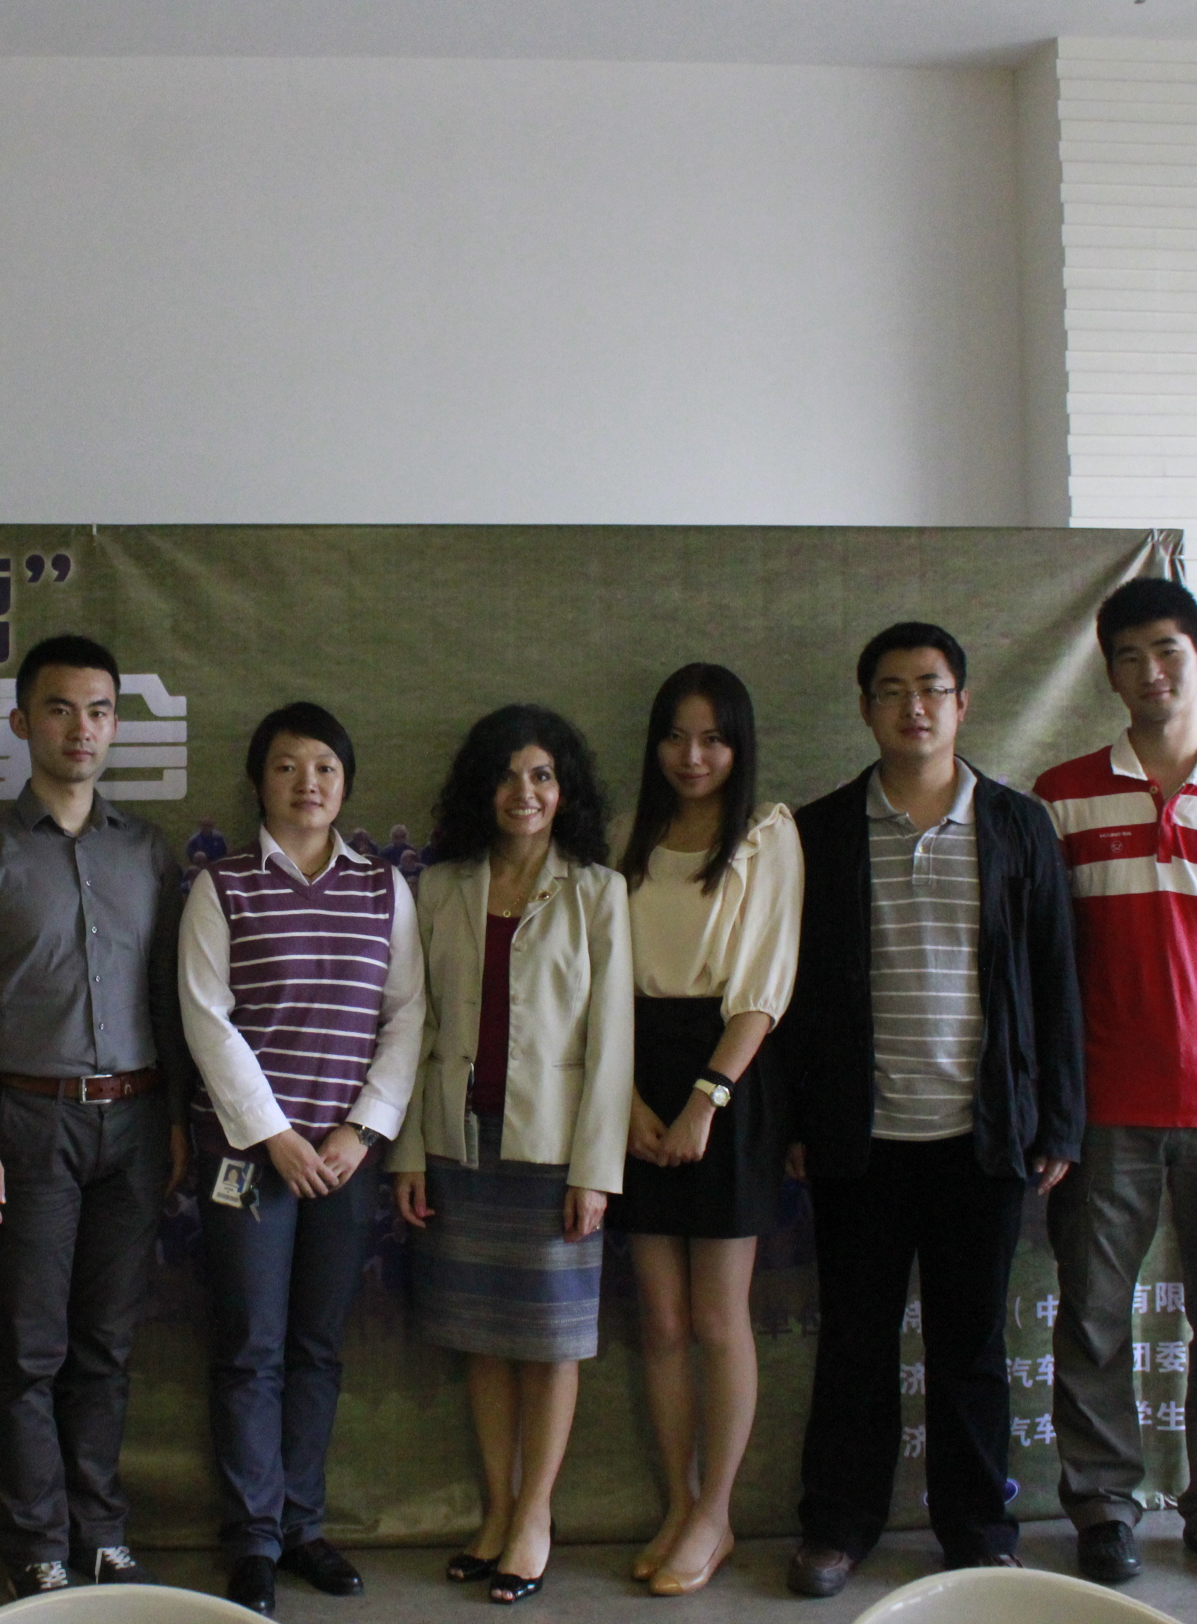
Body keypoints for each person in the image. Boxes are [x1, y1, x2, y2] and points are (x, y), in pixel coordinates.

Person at [780, 622, 1083, 1598]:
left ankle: (978, 1528)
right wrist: (797, 1119)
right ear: (865, 706)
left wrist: (1059, 1120)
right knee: (855, 1343)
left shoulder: (1018, 826)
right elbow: (791, 993)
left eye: (932, 687)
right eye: (892, 689)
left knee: (972, 1349)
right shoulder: (821, 831)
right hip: (859, 1137)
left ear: (963, 702)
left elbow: (1055, 979)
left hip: (981, 1137)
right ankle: (838, 1525)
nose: (914, 706)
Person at [1035, 577, 1197, 1594]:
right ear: (1108, 674)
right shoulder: (1063, 796)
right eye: (1129, 656)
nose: (1151, 672)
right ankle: (1104, 1508)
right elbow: (1049, 955)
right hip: (1105, 1106)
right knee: (1094, 1317)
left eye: (1168, 651)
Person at [0, 634, 189, 1600]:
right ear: (22, 721)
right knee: (30, 1348)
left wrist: (176, 1120)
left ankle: (101, 1529)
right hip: (26, 1125)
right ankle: (36, 1540)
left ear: (116, 725)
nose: (82, 729)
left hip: (136, 1121)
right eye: (60, 709)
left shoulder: (147, 852)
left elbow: (169, 997)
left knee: (106, 1346)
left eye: (100, 711)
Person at [178, 703, 427, 1616]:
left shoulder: (383, 889)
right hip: (250, 1158)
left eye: (325, 766)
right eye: (287, 766)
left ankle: (302, 1526)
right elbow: (207, 1018)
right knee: (251, 1348)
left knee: (318, 1347)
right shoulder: (222, 886)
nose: (307, 783)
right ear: (259, 782)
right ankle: (251, 1539)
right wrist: (274, 1136)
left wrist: (360, 1132)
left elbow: (407, 1015)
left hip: (344, 1161)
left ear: (346, 783)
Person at [390, 705, 634, 1608]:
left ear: (564, 790)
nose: (522, 793)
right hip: (458, 1141)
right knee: (481, 1338)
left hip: (553, 1150)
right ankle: (496, 1512)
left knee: (551, 1343)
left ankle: (535, 1517)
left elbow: (613, 1042)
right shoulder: (440, 886)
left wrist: (595, 1172)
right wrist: (409, 1152)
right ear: (479, 789)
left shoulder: (597, 890)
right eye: (505, 775)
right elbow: (413, 1025)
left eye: (541, 775)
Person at [607, 664, 803, 1597]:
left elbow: (763, 988)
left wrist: (703, 1102)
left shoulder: (766, 835)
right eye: (677, 737)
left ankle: (717, 1513)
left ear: (739, 745)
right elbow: (601, 983)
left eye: (714, 739)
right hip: (633, 1072)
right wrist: (627, 1103)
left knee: (719, 1317)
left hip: (730, 1074)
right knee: (661, 1319)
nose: (693, 757)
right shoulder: (626, 838)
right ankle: (679, 1504)